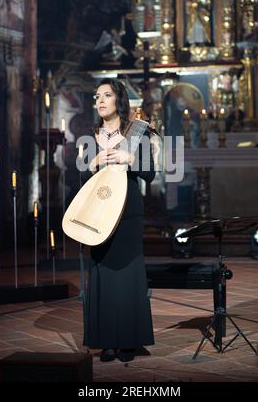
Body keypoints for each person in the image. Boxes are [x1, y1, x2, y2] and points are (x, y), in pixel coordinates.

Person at [80, 78, 155, 363]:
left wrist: (128, 158)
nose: (99, 100)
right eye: (97, 96)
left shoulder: (137, 132)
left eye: (106, 95)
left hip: (128, 212)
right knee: (102, 273)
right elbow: (84, 180)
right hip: (98, 211)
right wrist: (93, 164)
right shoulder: (90, 136)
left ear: (118, 101)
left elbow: (150, 174)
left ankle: (128, 341)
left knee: (127, 274)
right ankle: (105, 341)